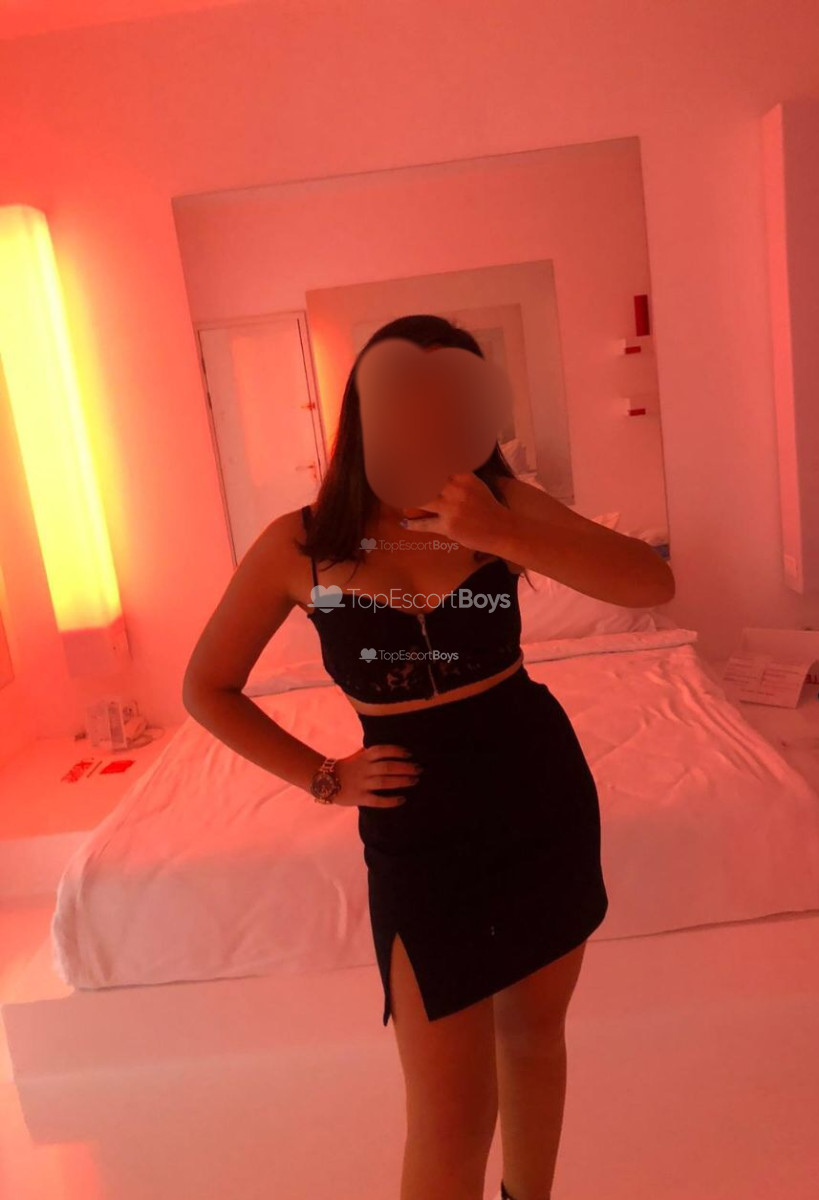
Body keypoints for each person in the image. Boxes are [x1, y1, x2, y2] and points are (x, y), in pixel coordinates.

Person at [182, 313, 675, 1200]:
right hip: (416, 825)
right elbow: (206, 687)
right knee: (448, 1117)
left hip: (537, 792)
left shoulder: (499, 504)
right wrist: (323, 777)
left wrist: (503, 534)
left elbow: (651, 583)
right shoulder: (298, 544)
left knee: (534, 1040)